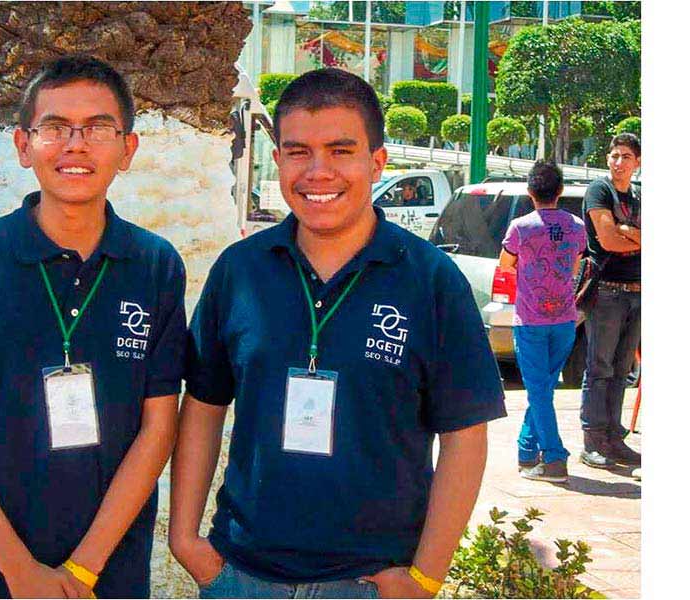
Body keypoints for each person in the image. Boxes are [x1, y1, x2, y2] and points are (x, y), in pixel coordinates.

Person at [170, 68, 506, 599]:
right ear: (277, 160)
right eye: (298, 151)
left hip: (371, 582)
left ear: (377, 162)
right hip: (240, 575)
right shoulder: (241, 270)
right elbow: (204, 405)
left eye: (341, 150)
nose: (317, 172)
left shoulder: (430, 279)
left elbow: (465, 437)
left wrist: (425, 578)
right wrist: (184, 539)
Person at [0, 55, 186, 598]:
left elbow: (158, 429)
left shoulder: (155, 265)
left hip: (108, 573)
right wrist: (19, 570)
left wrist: (82, 570)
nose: (76, 145)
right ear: (23, 145)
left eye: (98, 128)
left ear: (127, 149)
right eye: (55, 128)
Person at [498, 160, 586, 483]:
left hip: (531, 320)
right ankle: (525, 451)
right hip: (565, 320)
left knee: (538, 390)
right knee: (543, 388)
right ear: (560, 191)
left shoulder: (520, 227)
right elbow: (576, 263)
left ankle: (554, 458)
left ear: (530, 191)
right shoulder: (576, 225)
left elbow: (506, 264)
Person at [579, 133, 641, 468]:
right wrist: (630, 234)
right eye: (615, 155)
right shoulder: (598, 191)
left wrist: (627, 230)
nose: (619, 162)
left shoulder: (640, 196)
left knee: (621, 371)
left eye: (626, 157)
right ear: (607, 158)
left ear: (638, 162)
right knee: (599, 368)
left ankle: (614, 439)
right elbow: (607, 240)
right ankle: (593, 440)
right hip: (606, 291)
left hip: (638, 291)